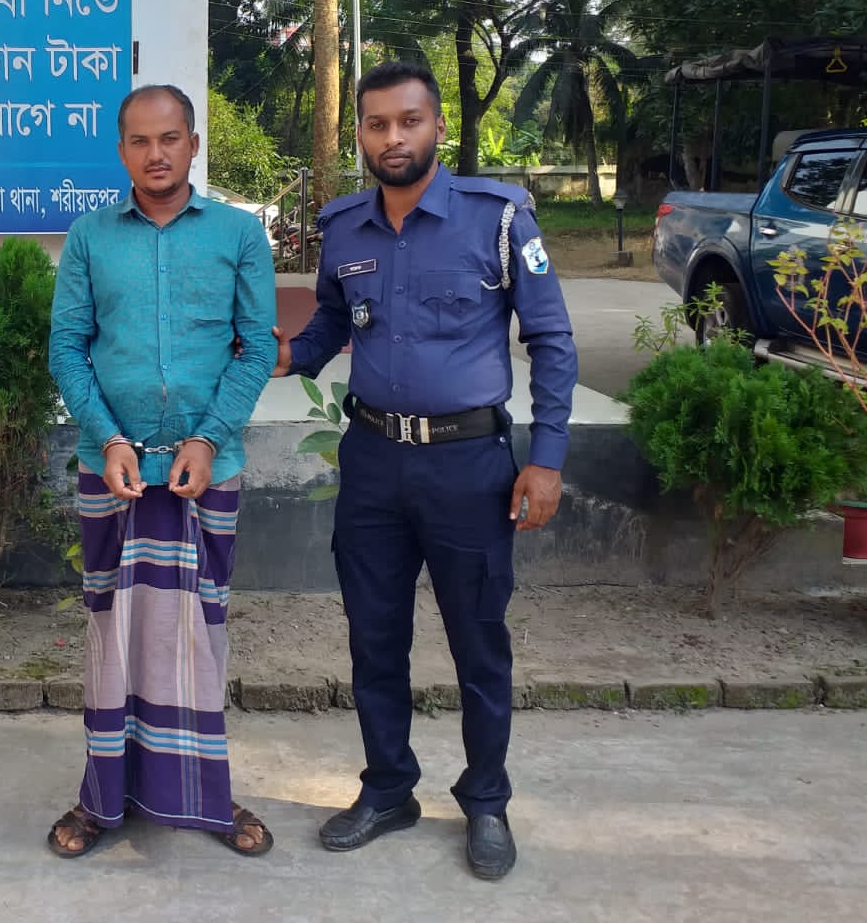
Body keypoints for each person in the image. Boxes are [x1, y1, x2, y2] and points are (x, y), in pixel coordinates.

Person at [272, 60, 577, 881]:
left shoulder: (499, 219)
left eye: (409, 121)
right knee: (374, 637)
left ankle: (487, 802)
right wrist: (284, 355)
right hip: (373, 460)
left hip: (468, 465)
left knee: (479, 641)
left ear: (437, 126)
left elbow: (552, 341)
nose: (393, 137)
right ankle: (388, 789)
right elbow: (332, 322)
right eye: (377, 124)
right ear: (361, 135)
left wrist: (546, 460)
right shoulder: (344, 228)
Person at [45, 83, 278, 860]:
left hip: (204, 472)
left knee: (197, 637)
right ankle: (103, 798)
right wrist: (108, 437)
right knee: (111, 636)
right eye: (140, 141)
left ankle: (205, 796)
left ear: (193, 144)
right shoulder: (89, 237)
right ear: (121, 151)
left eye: (170, 138)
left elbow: (256, 347)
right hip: (112, 472)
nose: (156, 154)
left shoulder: (239, 234)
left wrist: (208, 439)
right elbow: (67, 348)